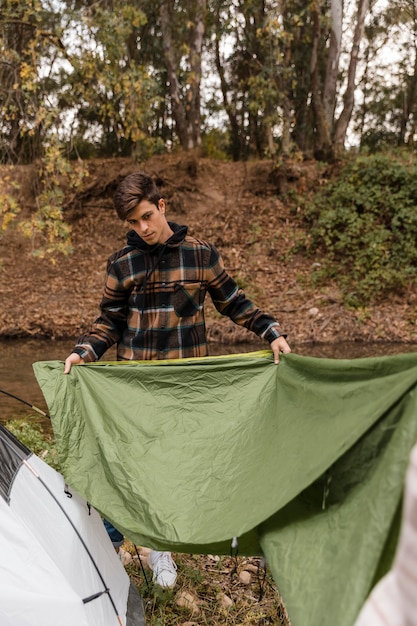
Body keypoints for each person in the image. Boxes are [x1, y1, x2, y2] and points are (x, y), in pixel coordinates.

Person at [64, 171, 291, 588]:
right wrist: (85, 351)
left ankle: (163, 551)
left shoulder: (201, 256)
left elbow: (234, 302)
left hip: (188, 389)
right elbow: (109, 323)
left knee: (175, 470)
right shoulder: (122, 263)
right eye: (133, 223)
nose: (143, 228)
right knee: (126, 470)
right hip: (134, 390)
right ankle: (101, 556)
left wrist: (271, 332)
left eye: (147, 216)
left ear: (162, 205)